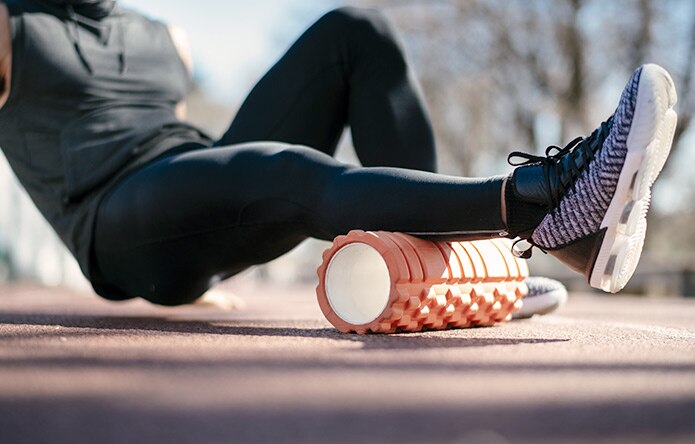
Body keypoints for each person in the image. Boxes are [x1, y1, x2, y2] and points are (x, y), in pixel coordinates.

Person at [0, 0, 677, 306]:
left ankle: (474, 265)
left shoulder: (162, 35)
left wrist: (204, 245)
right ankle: (540, 202)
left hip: (186, 185)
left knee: (355, 31)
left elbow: (180, 147)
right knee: (289, 175)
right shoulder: (11, 24)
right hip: (116, 222)